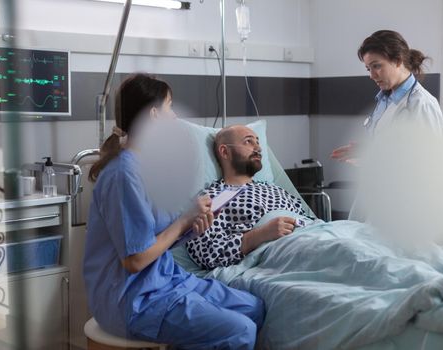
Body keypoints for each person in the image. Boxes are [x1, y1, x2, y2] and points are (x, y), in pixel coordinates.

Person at [83, 73, 264, 349]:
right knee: (240, 331)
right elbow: (135, 260)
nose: (175, 116)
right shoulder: (123, 174)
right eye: (170, 107)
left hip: (166, 281)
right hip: (133, 300)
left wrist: (193, 222)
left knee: (255, 308)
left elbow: (160, 232)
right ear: (155, 115)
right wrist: (182, 222)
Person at [186, 125, 314, 269]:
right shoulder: (214, 198)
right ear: (225, 152)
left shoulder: (275, 188)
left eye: (258, 142)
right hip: (283, 255)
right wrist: (259, 235)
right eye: (248, 141)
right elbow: (206, 253)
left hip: (313, 237)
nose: (258, 148)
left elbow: (310, 222)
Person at [331, 29, 443, 165]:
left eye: (376, 66)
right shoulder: (385, 99)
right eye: (368, 69)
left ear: (397, 60)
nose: (372, 75)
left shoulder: (422, 104)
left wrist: (372, 161)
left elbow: (429, 162)